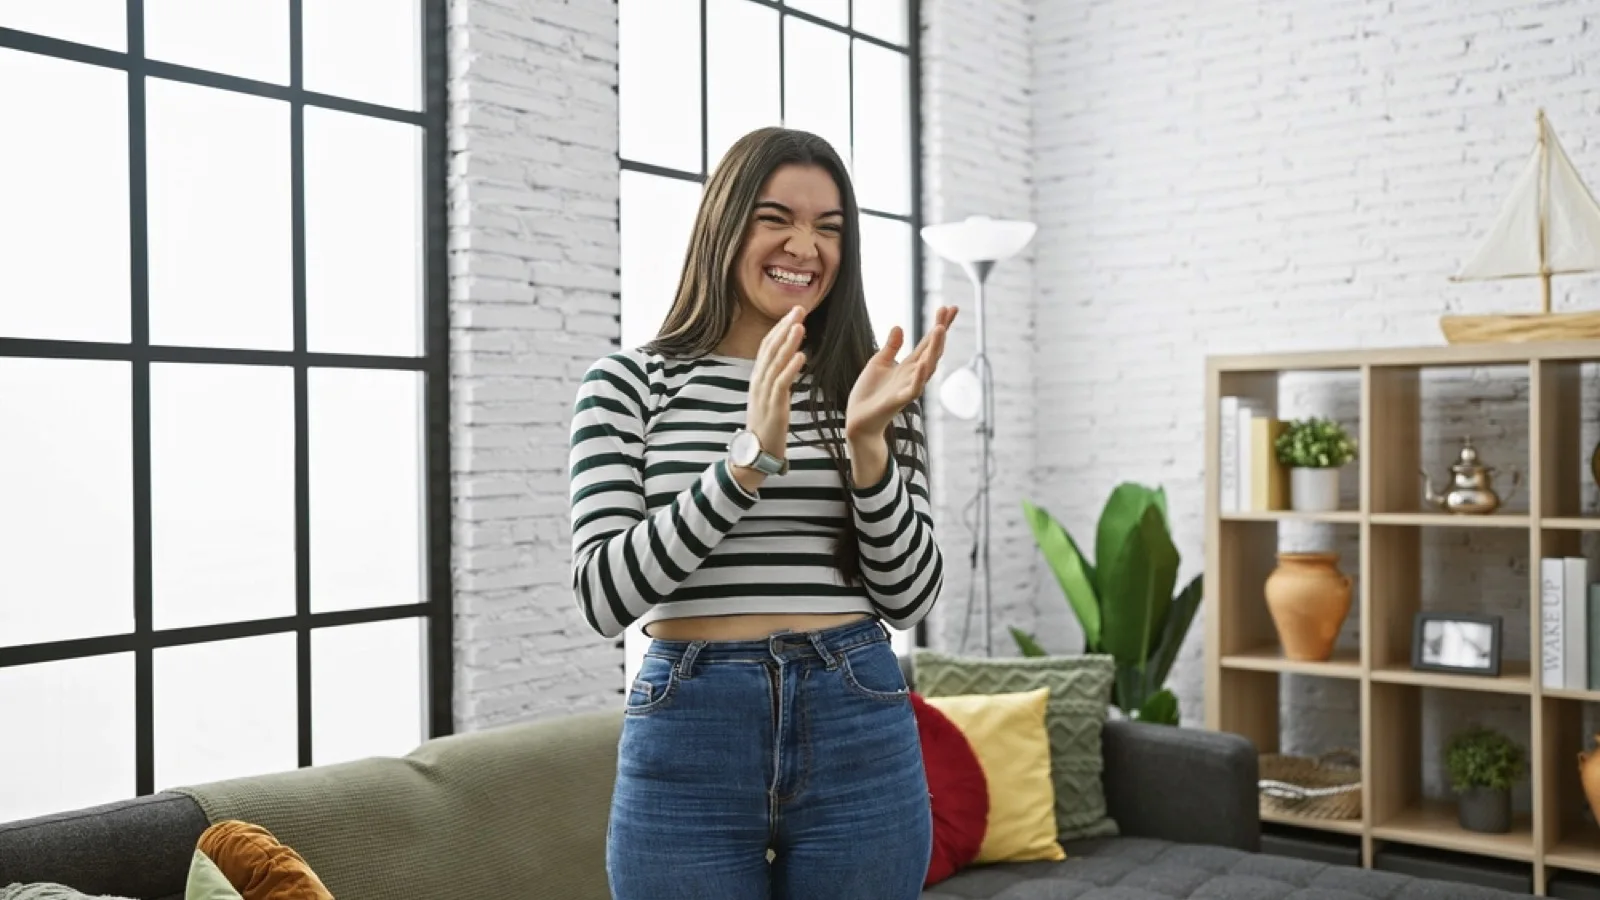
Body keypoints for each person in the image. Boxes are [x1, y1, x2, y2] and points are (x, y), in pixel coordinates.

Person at [567, 125, 955, 899]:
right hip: (689, 726)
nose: (804, 247)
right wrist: (746, 462)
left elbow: (909, 600)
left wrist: (869, 446)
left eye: (829, 227)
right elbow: (603, 597)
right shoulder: (627, 385)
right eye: (776, 218)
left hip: (858, 712)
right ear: (725, 223)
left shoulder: (872, 387)